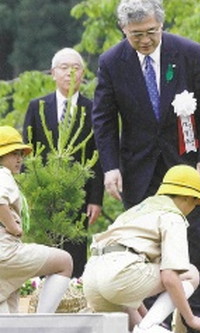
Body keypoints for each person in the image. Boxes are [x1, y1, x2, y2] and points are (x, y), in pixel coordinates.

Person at [91, 0, 200, 329]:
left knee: (195, 235)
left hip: (187, 164)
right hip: (138, 166)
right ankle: (155, 322)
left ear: (161, 24)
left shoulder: (190, 53)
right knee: (144, 242)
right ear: (124, 30)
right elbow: (104, 120)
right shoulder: (111, 61)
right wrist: (110, 167)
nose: (145, 40)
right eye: (137, 35)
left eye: (151, 32)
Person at [82, 165, 200, 333]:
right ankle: (146, 328)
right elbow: (169, 278)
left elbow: (125, 273)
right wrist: (191, 319)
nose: (195, 207)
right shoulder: (172, 216)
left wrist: (146, 321)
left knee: (139, 327)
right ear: (188, 197)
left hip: (92, 279)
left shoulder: (139, 210)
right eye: (196, 202)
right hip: (119, 277)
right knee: (191, 274)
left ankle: (146, 327)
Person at [22, 48, 104, 278]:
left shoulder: (93, 109)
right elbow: (27, 153)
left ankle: (73, 295)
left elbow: (98, 157)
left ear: (83, 73)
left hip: (78, 194)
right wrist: (29, 193)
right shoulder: (37, 107)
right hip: (42, 194)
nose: (70, 73)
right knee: (42, 251)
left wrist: (96, 199)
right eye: (64, 68)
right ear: (53, 73)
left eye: (76, 68)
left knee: (75, 251)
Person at [0, 126, 73, 314]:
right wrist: (13, 227)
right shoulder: (3, 175)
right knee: (64, 262)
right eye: (13, 153)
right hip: (6, 252)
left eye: (20, 154)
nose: (19, 159)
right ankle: (42, 323)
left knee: (8, 317)